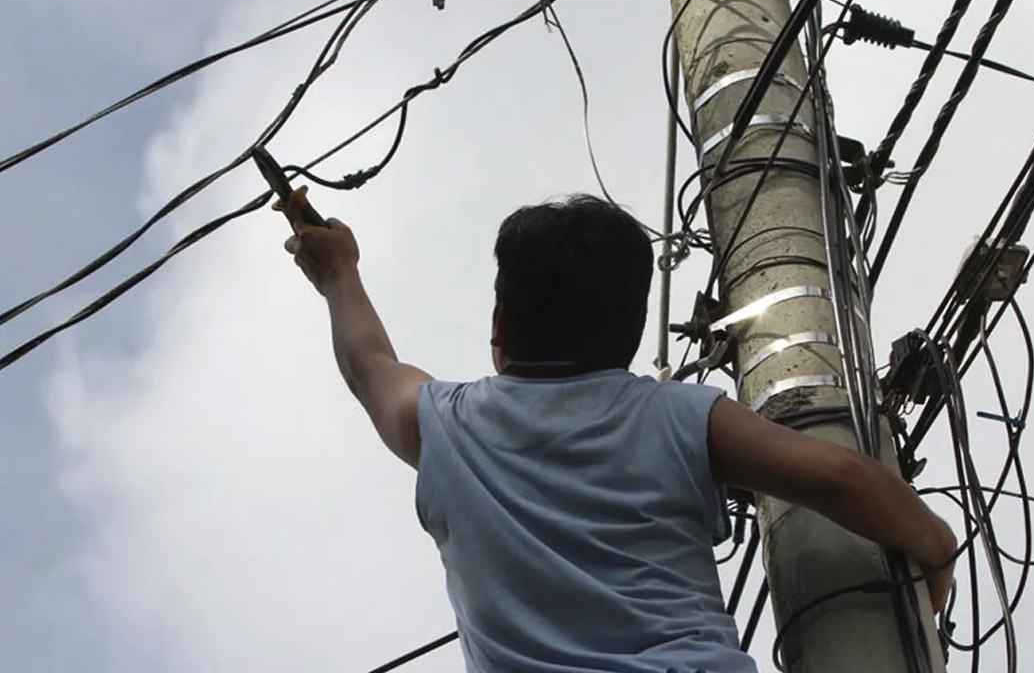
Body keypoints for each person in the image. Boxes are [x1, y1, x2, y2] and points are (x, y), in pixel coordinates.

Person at [280, 191, 956, 673]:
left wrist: (339, 273)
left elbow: (370, 366)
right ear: (630, 335)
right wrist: (936, 551)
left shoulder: (446, 427)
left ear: (500, 326)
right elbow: (841, 477)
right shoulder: (681, 415)